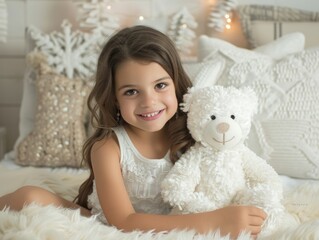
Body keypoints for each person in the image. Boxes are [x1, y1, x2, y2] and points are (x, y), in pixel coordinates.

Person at [0, 25, 266, 239]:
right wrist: (211, 222)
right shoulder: (109, 147)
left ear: (176, 84)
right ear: (114, 98)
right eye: (131, 91)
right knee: (30, 197)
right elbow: (123, 222)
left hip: (170, 218)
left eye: (160, 85)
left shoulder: (194, 132)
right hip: (107, 223)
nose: (149, 102)